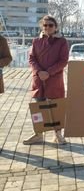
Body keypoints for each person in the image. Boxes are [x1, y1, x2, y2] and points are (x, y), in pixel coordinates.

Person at [23, 15, 69, 145]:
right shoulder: (36, 41)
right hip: (39, 80)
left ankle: (58, 134)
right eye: (45, 25)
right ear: (42, 27)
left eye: (50, 25)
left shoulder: (62, 42)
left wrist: (49, 72)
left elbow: (63, 60)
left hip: (54, 79)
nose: (47, 27)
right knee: (38, 107)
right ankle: (38, 133)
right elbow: (32, 58)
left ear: (56, 27)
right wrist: (39, 71)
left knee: (56, 107)